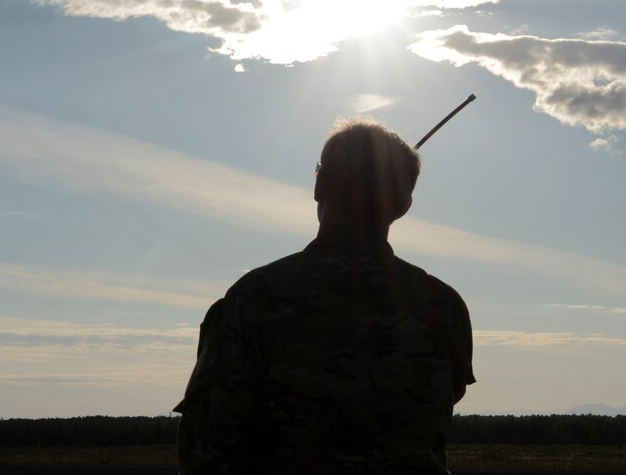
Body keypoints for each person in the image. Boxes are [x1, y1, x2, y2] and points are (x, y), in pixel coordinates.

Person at [174, 119, 475, 475]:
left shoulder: (256, 298)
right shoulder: (443, 306)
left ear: (320, 187)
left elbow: (207, 447)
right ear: (404, 205)